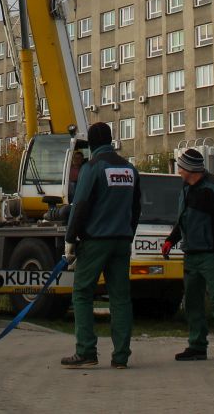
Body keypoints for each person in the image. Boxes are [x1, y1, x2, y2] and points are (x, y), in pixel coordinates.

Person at [61, 121, 141, 370]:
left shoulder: (92, 167)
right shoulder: (130, 169)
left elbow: (81, 205)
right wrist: (128, 234)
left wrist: (71, 239)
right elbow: (136, 207)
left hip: (95, 241)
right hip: (122, 241)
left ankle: (86, 350)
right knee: (120, 298)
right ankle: (121, 356)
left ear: (92, 144)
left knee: (83, 293)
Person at [161, 147, 214, 367]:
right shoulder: (186, 189)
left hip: (212, 255)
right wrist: (171, 240)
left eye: (180, 166)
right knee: (193, 302)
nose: (178, 170)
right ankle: (197, 346)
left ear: (189, 169)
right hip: (191, 255)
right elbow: (184, 219)